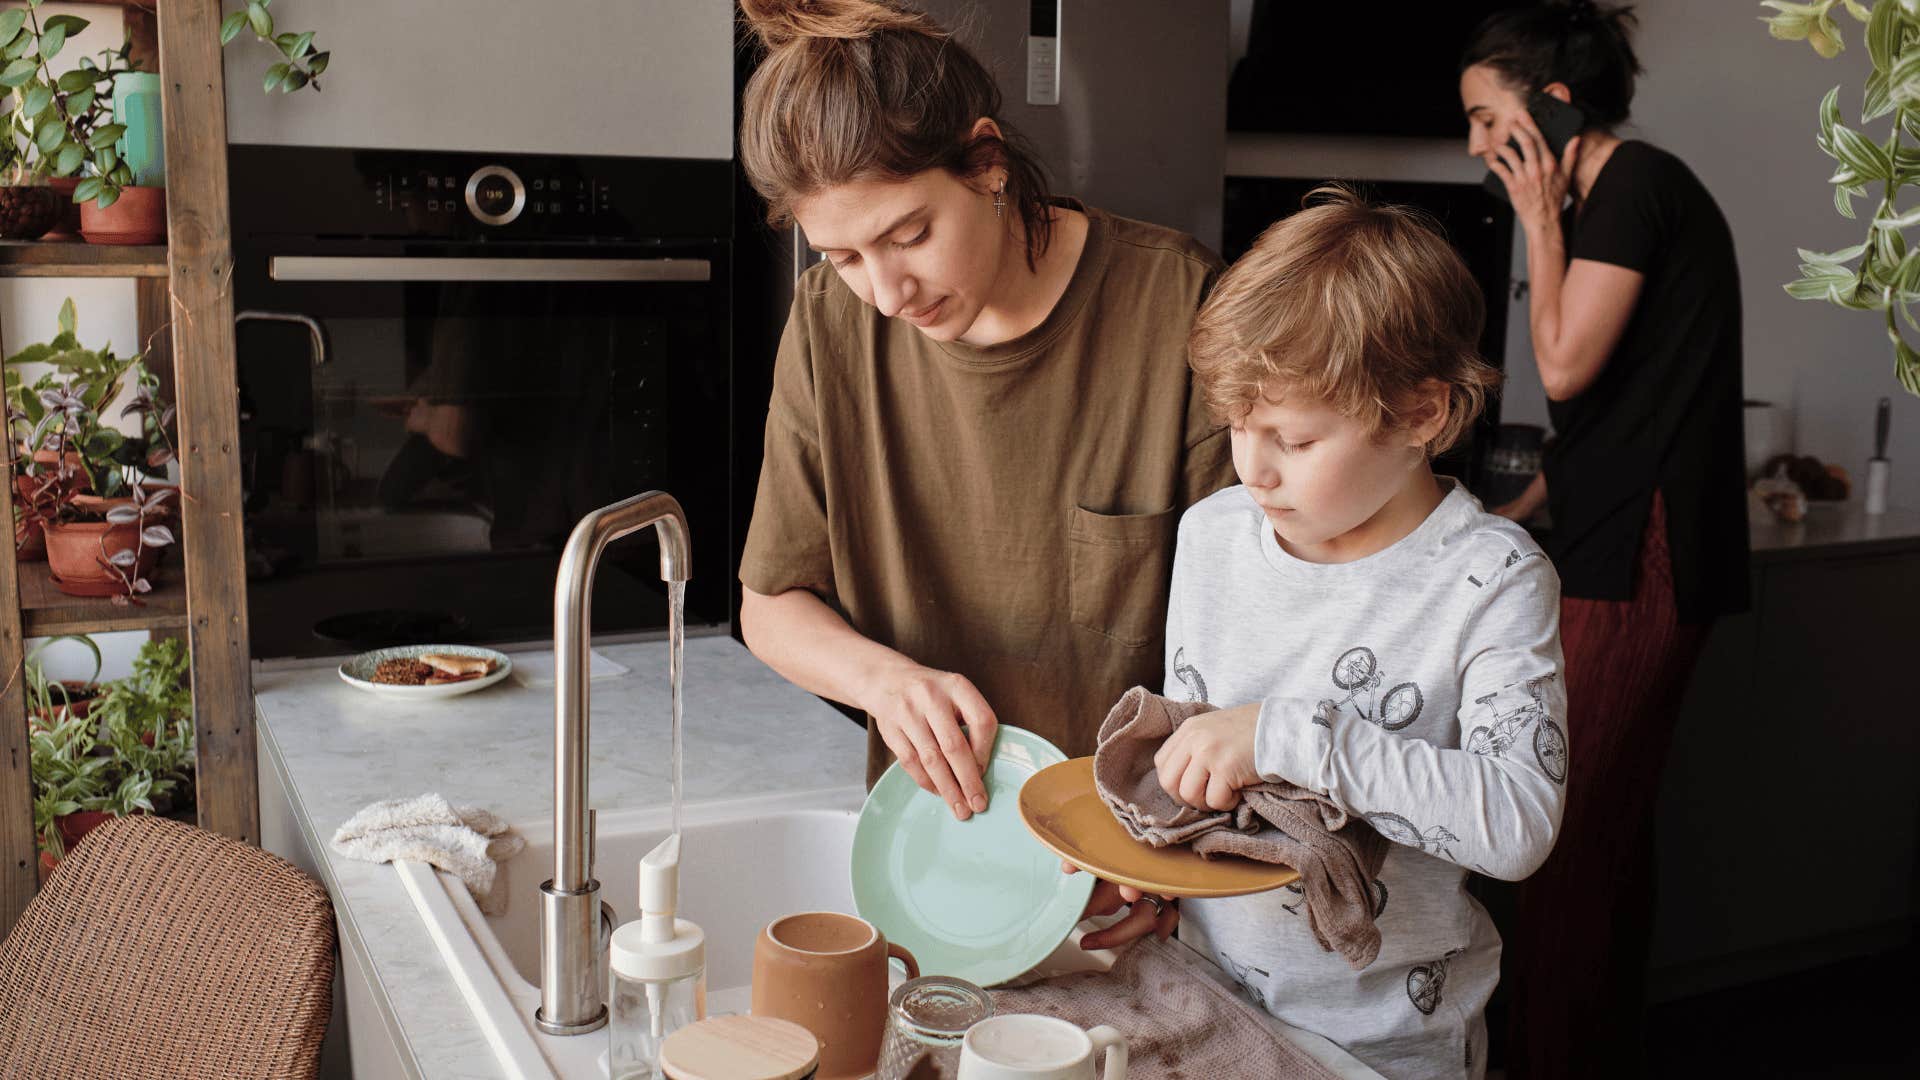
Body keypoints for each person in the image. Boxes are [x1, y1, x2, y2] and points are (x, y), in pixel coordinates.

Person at [733, 0, 1235, 945]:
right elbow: (772, 603)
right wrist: (884, 682)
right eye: (843, 255)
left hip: (1143, 876)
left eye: (909, 234)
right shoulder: (830, 327)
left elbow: (1258, 642)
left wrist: (1172, 852)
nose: (886, 293)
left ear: (988, 161)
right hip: (939, 869)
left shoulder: (1178, 307)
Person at [1151, 186, 1564, 1078]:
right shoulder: (1213, 534)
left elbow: (1521, 823)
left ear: (1423, 416)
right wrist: (1137, 851)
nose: (1252, 470)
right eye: (1236, 427)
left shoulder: (1490, 579)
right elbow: (1199, 770)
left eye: (1293, 441)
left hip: (1389, 1047)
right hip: (1203, 1006)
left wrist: (1283, 734)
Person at [1460, 3, 1749, 1072]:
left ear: (1553, 107)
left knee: (1566, 834)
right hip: (1631, 539)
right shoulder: (1624, 196)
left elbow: (1570, 372)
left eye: (1490, 119)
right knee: (1604, 836)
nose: (1479, 147)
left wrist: (1540, 221)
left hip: (1649, 554)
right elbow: (1612, 420)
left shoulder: (1631, 190)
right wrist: (1511, 516)